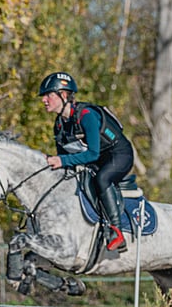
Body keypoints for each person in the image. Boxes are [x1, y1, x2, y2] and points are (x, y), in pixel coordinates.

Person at [39, 71, 133, 253]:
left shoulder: (86, 115)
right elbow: (66, 161)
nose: (44, 100)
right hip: (98, 159)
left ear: (63, 95)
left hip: (119, 155)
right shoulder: (59, 125)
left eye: (48, 95)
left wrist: (61, 160)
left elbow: (92, 154)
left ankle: (117, 231)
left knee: (102, 179)